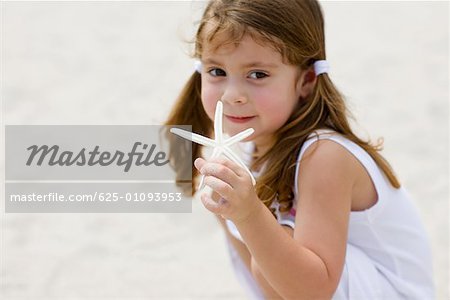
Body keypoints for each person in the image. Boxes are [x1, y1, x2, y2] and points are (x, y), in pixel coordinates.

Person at [165, 0, 435, 299]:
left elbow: (315, 291)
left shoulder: (325, 155)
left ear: (305, 81)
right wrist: (235, 215)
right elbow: (268, 288)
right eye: (216, 71)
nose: (232, 95)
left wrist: (250, 214)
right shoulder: (240, 153)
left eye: (257, 75)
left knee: (274, 238)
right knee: (262, 246)